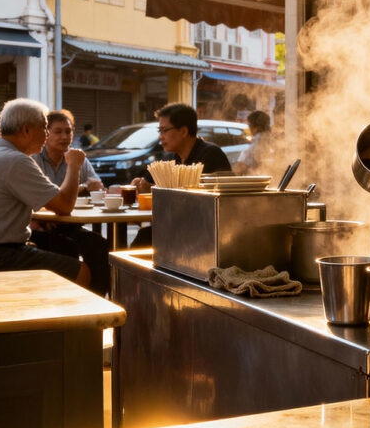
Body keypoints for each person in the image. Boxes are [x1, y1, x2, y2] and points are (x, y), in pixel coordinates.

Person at [0, 98, 90, 288]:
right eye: (44, 127)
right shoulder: (15, 160)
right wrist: (74, 166)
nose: (47, 134)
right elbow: (64, 206)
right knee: (81, 272)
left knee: (66, 247)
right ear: (26, 129)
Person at [129, 103, 232, 247]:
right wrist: (142, 187)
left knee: (145, 240)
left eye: (164, 130)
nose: (160, 137)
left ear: (183, 131)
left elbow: (214, 202)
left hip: (205, 231)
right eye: (159, 131)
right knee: (143, 238)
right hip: (175, 227)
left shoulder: (211, 155)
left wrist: (155, 190)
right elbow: (150, 185)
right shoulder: (171, 159)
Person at [30, 109, 110, 294]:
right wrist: (82, 187)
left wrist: (92, 186)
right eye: (58, 132)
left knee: (100, 246)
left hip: (69, 225)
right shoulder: (34, 158)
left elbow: (97, 186)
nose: (64, 137)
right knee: (66, 248)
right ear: (46, 134)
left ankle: (97, 302)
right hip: (40, 227)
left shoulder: (76, 157)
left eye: (68, 131)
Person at [234, 110, 275, 176]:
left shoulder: (254, 145)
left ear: (257, 127)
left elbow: (238, 169)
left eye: (249, 125)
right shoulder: (273, 142)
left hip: (255, 182)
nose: (248, 127)